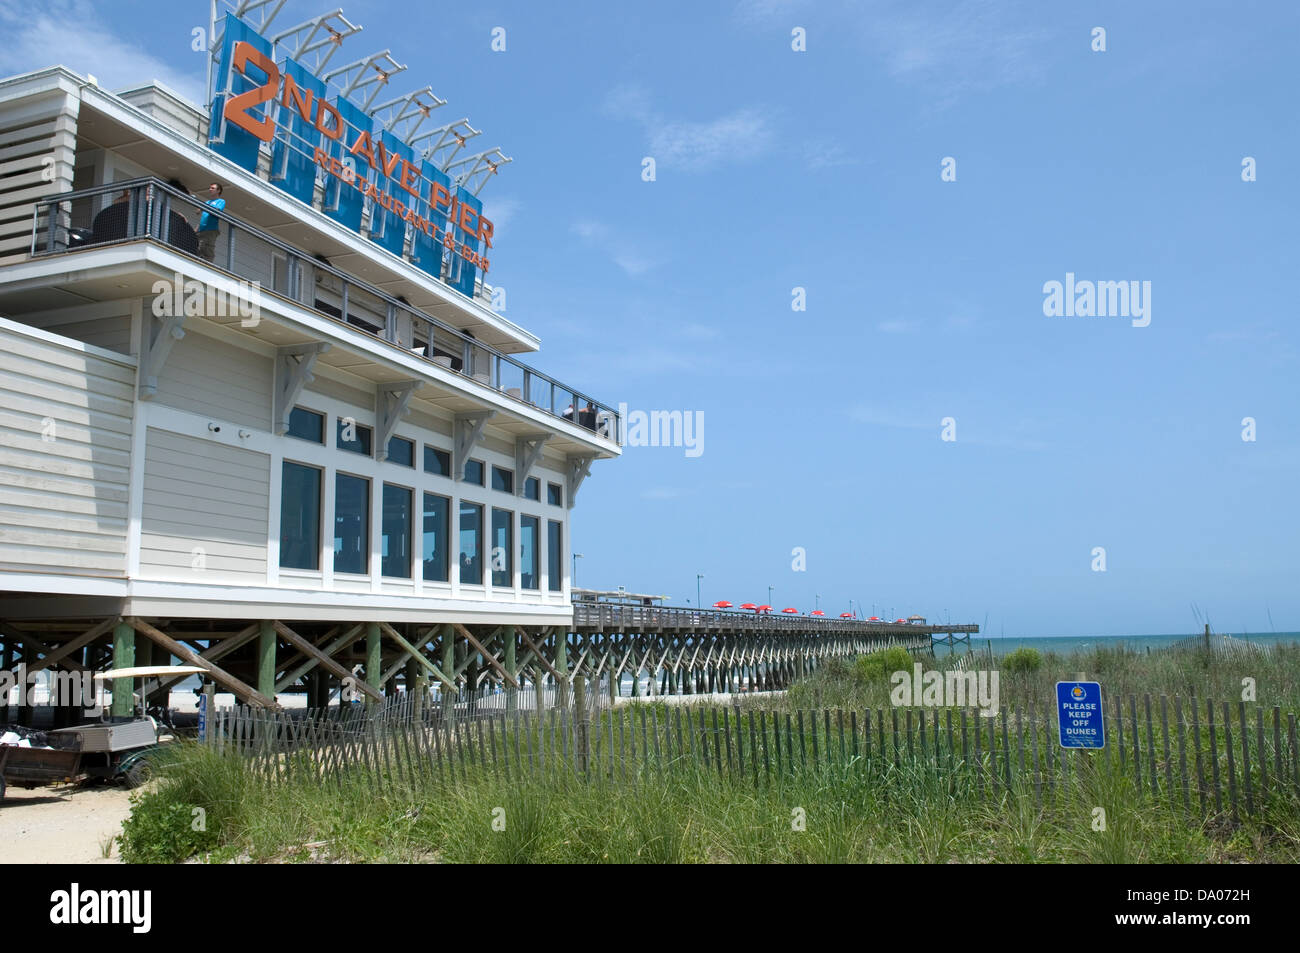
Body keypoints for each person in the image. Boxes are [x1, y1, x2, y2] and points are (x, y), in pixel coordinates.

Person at [196, 182, 225, 262]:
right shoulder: (207, 202)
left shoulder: (221, 201)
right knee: (198, 248)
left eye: (212, 188)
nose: (210, 189)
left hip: (211, 229)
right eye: (210, 188)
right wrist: (197, 228)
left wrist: (203, 207)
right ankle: (197, 263)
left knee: (208, 249)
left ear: (218, 191)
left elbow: (217, 210)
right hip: (201, 230)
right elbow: (200, 215)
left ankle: (208, 266)